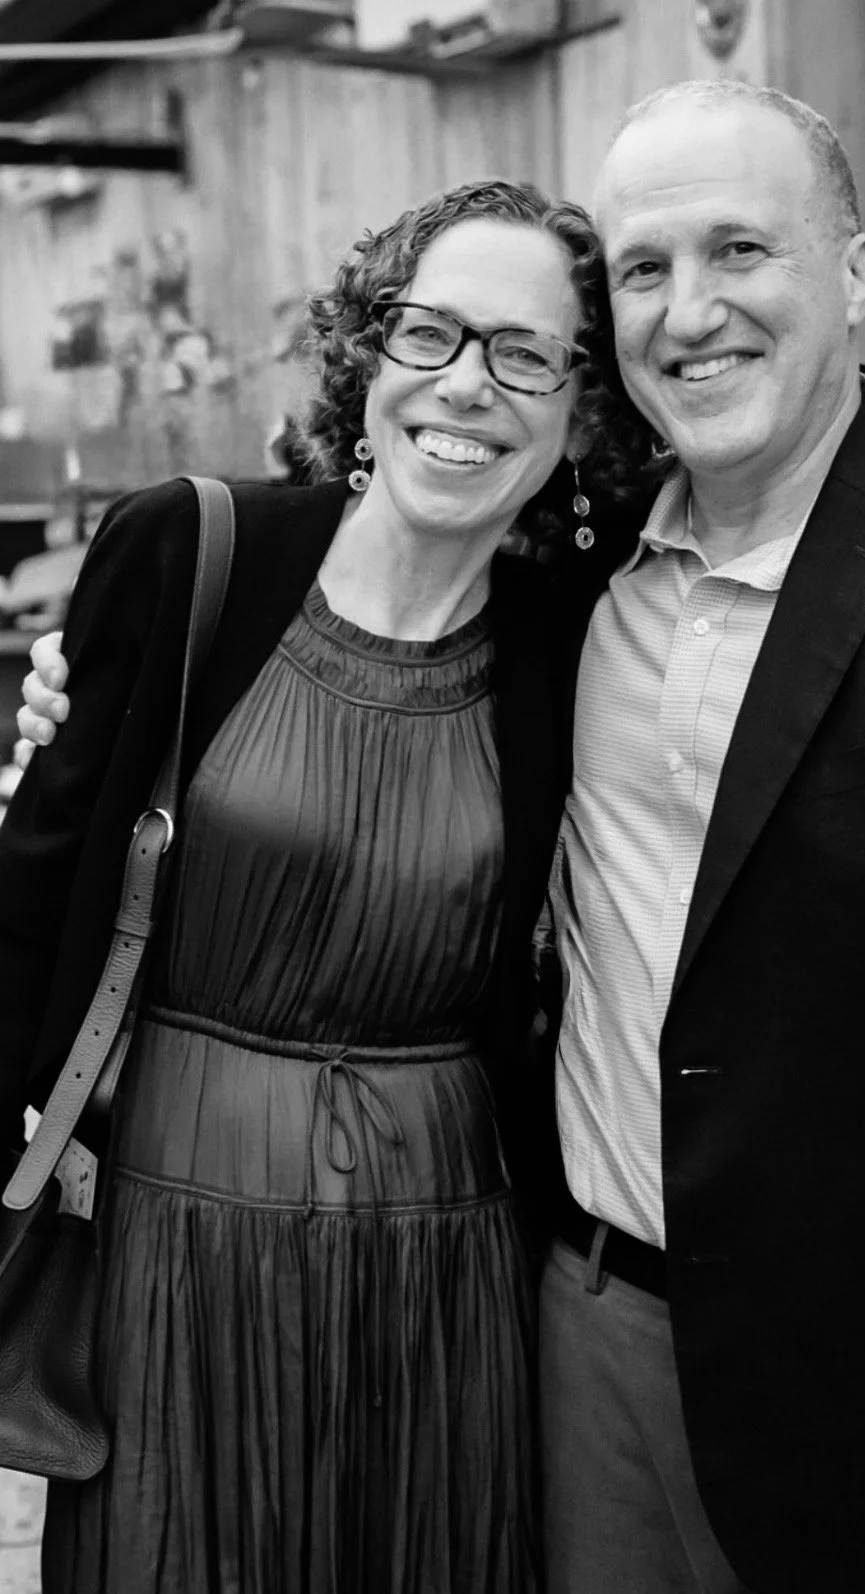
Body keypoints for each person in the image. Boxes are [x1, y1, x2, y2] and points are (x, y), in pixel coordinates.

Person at [20, 80, 865, 1594]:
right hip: (575, 1345)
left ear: (855, 273)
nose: (690, 309)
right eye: (645, 268)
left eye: (740, 250)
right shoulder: (577, 599)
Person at [0, 175, 647, 1594]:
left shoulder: (574, 641)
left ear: (582, 410)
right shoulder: (193, 550)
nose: (467, 385)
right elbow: (32, 890)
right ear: (369, 349)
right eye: (430, 331)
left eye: (526, 354)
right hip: (178, 1236)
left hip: (447, 1264)